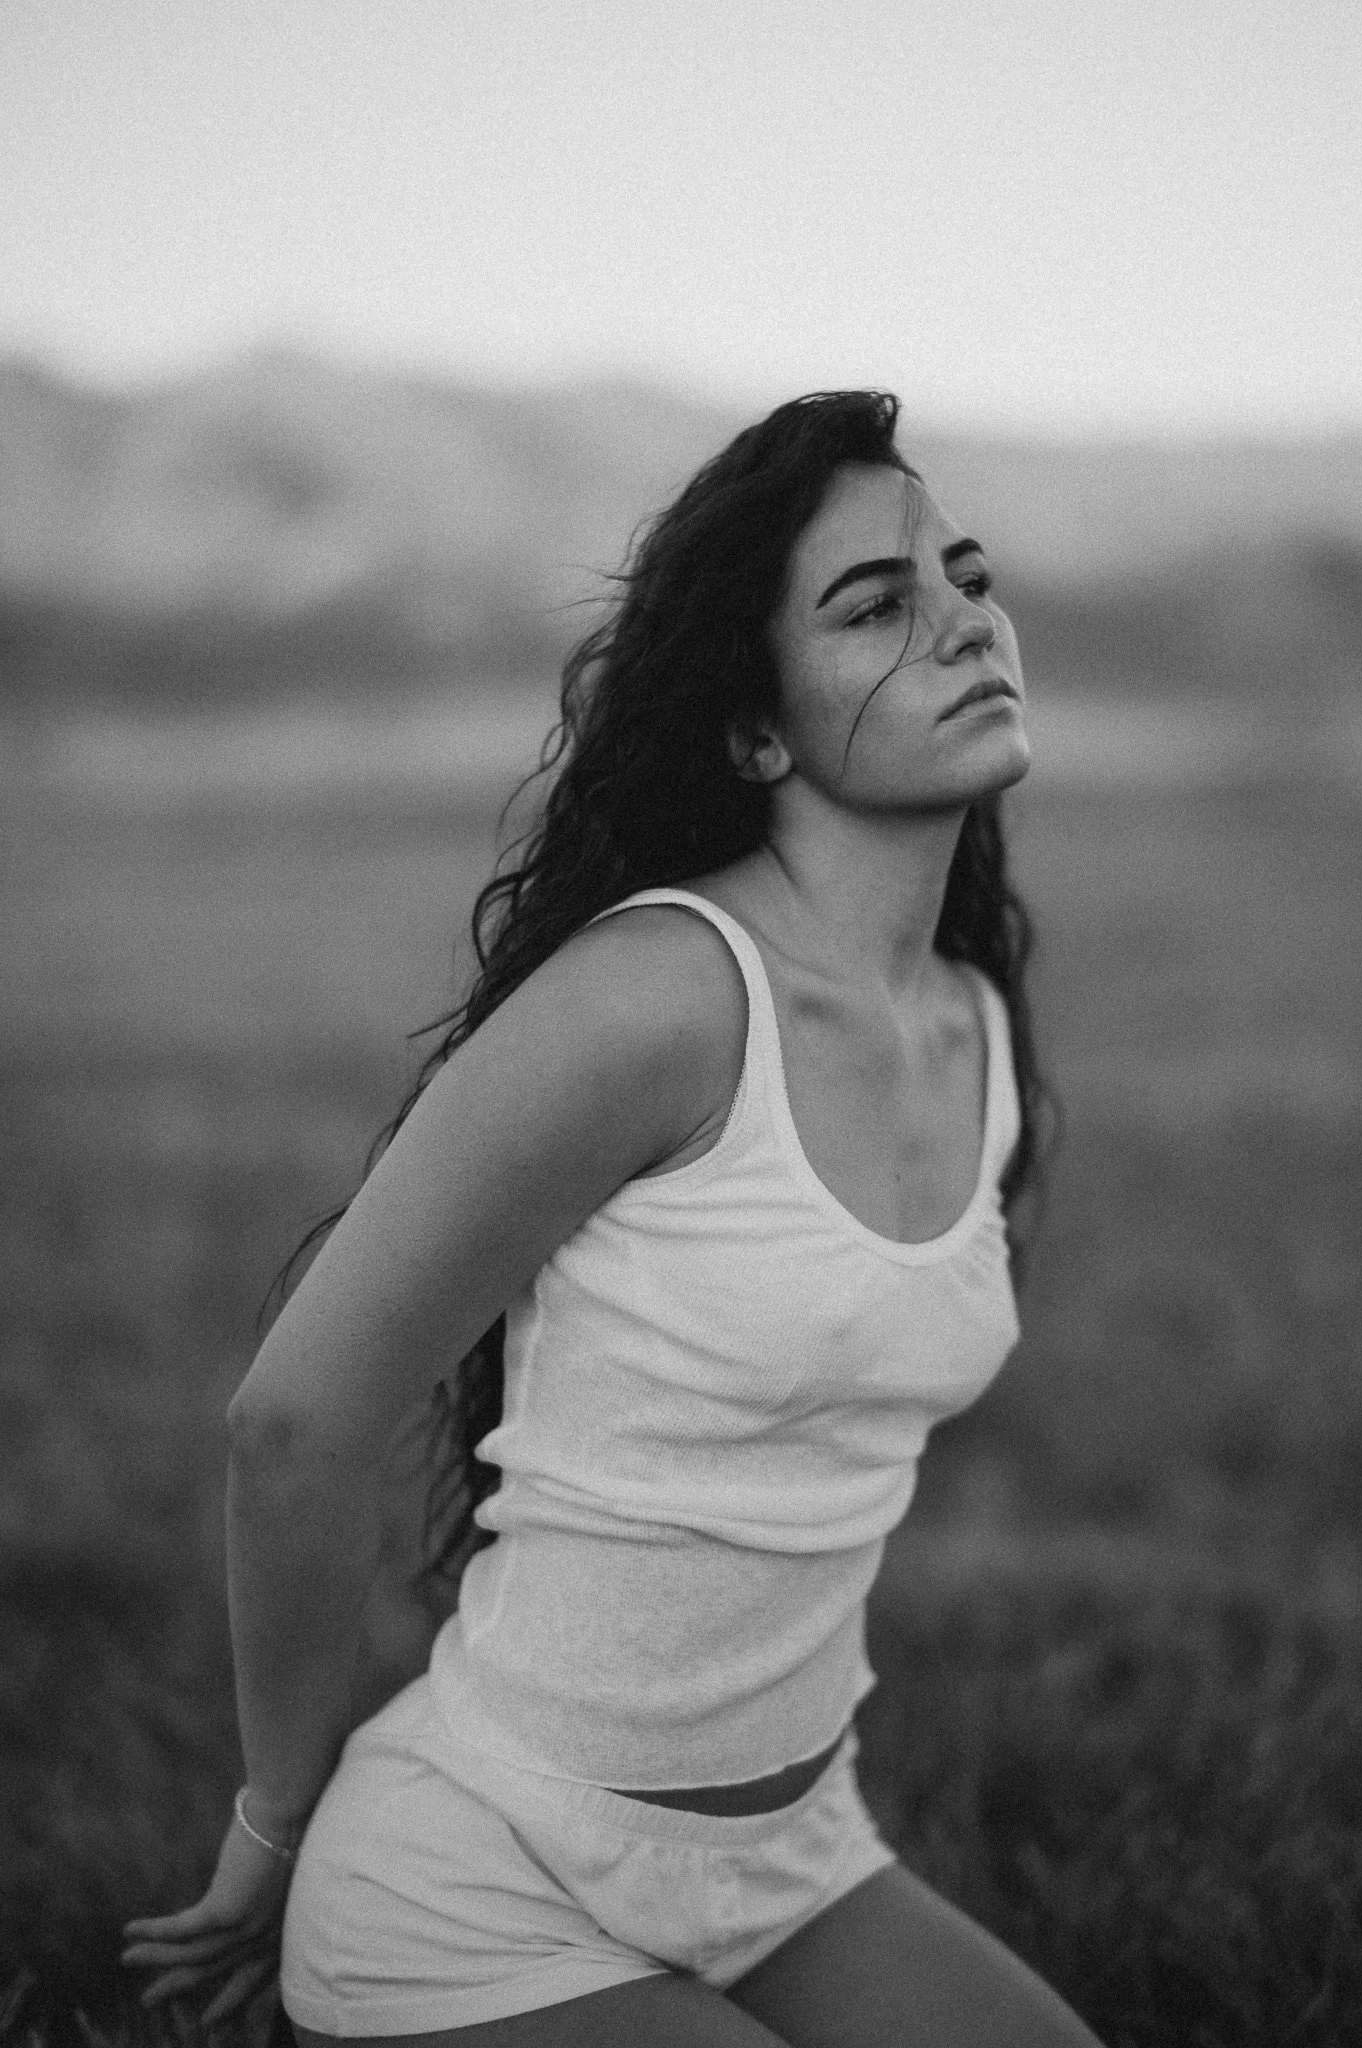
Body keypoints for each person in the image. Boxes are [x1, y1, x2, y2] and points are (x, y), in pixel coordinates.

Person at [122, 391, 1104, 2047]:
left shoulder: (972, 1020)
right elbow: (296, 1423)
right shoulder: (659, 997)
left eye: (965, 574)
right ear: (755, 734)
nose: (963, 622)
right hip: (478, 1882)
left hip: (796, 1857)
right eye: (874, 604)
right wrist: (271, 1820)